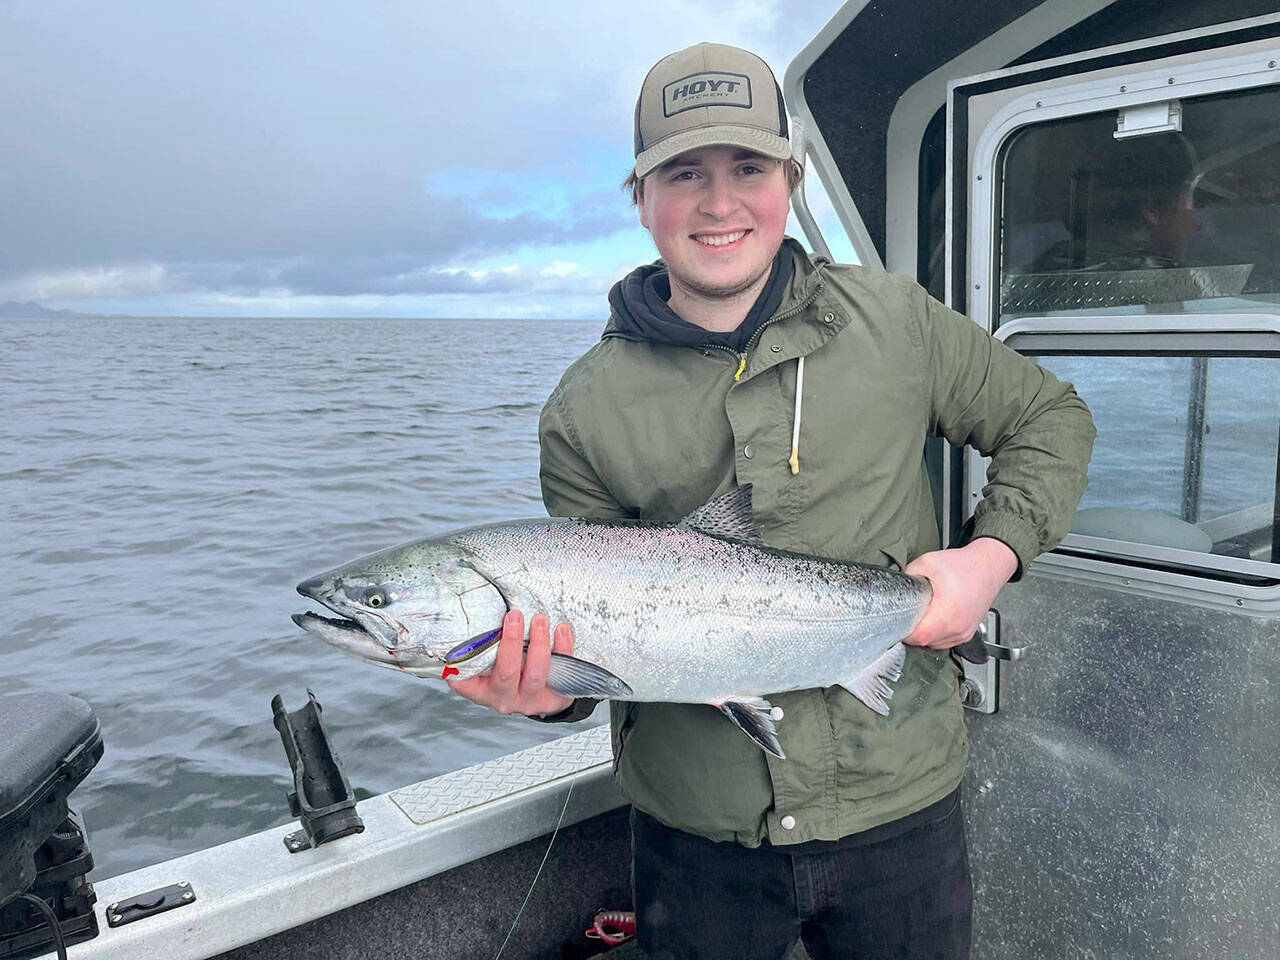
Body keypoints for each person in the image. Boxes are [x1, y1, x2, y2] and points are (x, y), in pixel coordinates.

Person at [450, 42, 1095, 960]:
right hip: (694, 841)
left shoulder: (896, 322)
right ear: (641, 197)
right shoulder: (583, 409)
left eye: (747, 167)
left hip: (900, 804)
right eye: (684, 173)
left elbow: (1051, 418)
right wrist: (539, 693)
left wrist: (989, 558)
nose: (719, 204)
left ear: (789, 180)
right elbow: (589, 649)